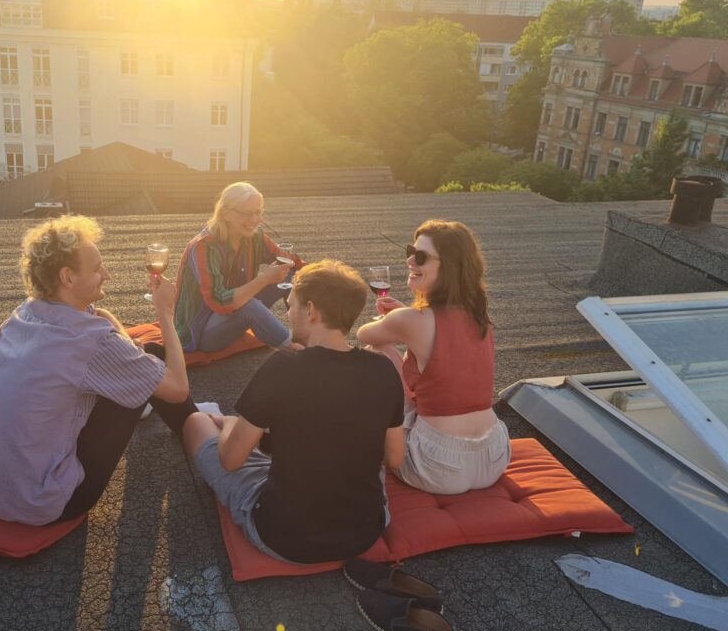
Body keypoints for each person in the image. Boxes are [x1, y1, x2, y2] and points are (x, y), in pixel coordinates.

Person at [0, 216, 196, 525]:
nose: (106, 274)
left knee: (136, 362)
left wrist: (125, 344)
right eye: (97, 268)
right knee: (153, 356)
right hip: (46, 502)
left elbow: (100, 316)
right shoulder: (89, 341)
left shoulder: (24, 314)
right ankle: (201, 434)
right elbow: (178, 390)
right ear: (68, 277)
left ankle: (194, 423)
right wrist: (165, 312)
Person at [182, 260, 405, 563]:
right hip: (365, 531)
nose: (287, 314)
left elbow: (231, 460)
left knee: (196, 422)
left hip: (285, 538)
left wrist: (231, 423)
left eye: (290, 305)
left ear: (311, 310)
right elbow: (394, 458)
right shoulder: (383, 369)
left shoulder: (283, 368)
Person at [357, 219, 510, 495]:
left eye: (421, 257)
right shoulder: (479, 315)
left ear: (449, 267)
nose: (410, 261)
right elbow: (443, 351)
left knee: (376, 352)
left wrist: (399, 319)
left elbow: (364, 334)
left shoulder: (411, 321)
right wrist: (405, 317)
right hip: (494, 456)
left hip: (438, 466)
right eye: (410, 252)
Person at [174, 182, 304, 353]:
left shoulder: (254, 237)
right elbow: (220, 302)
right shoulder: (204, 247)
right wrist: (264, 279)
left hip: (237, 312)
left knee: (292, 274)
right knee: (249, 306)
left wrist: (322, 271)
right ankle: (295, 349)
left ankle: (304, 334)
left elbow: (289, 260)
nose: (254, 220)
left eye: (258, 212)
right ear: (226, 214)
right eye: (247, 213)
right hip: (202, 330)